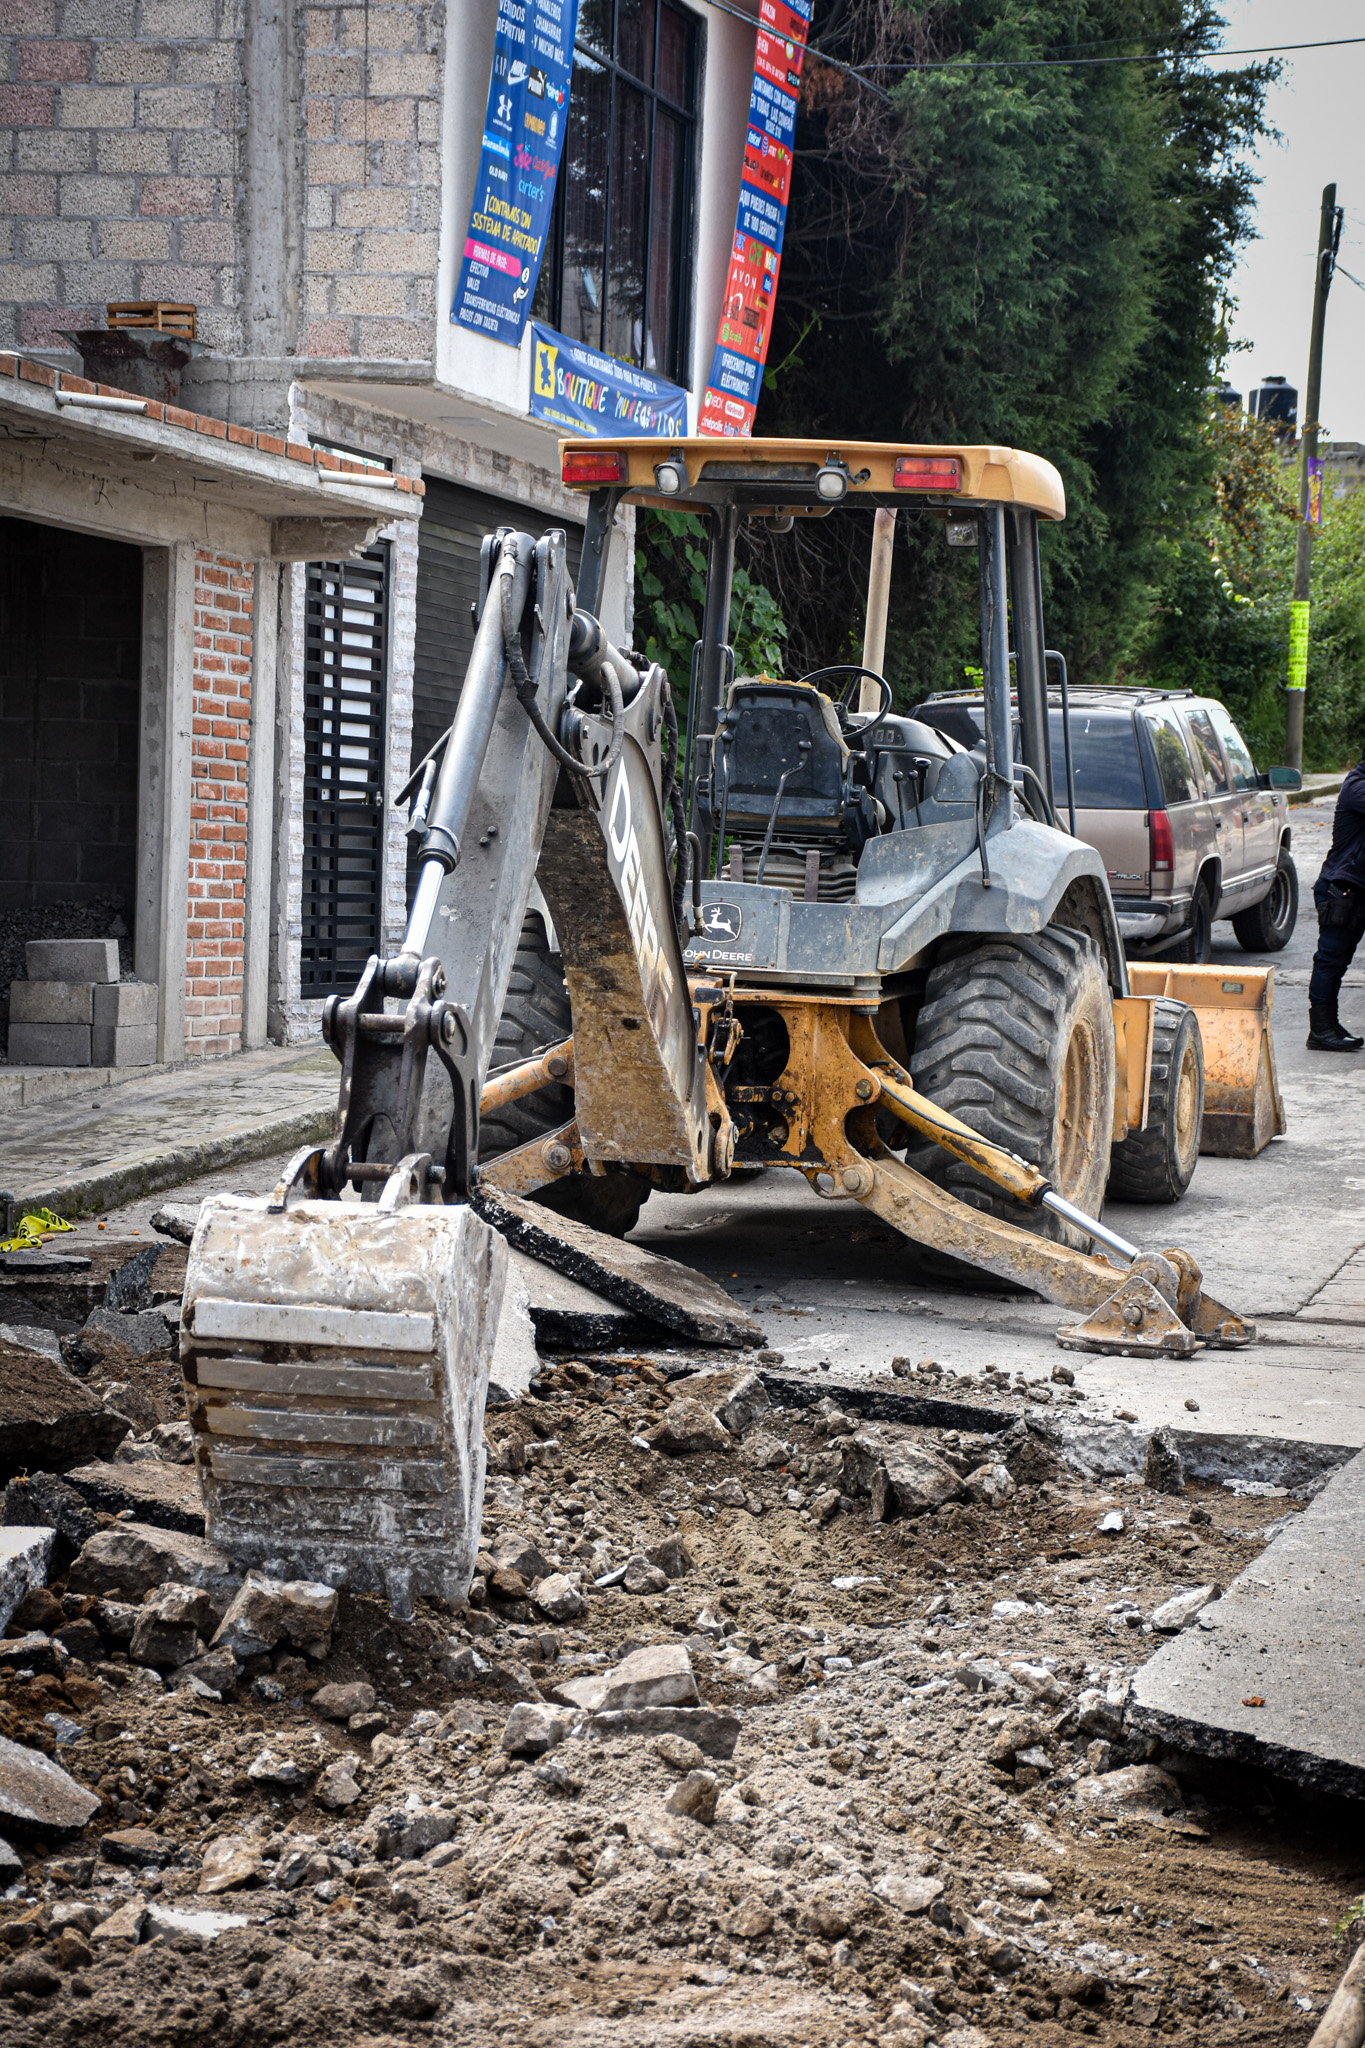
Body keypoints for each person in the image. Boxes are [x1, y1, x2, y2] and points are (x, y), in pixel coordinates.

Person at [1308, 747, 1365, 1051]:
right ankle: (1320, 1030)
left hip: (1356, 889)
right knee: (1330, 962)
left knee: (1338, 964)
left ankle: (1329, 1024)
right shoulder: (1357, 787)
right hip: (1341, 889)